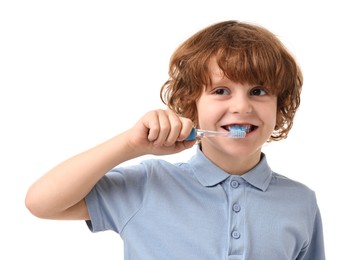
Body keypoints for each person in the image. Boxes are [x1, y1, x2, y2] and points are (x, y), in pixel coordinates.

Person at [25, 20, 326, 259]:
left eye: (259, 91)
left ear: (280, 105)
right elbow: (41, 203)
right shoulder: (147, 185)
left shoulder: (300, 202)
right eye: (221, 91)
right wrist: (130, 145)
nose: (242, 107)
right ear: (191, 103)